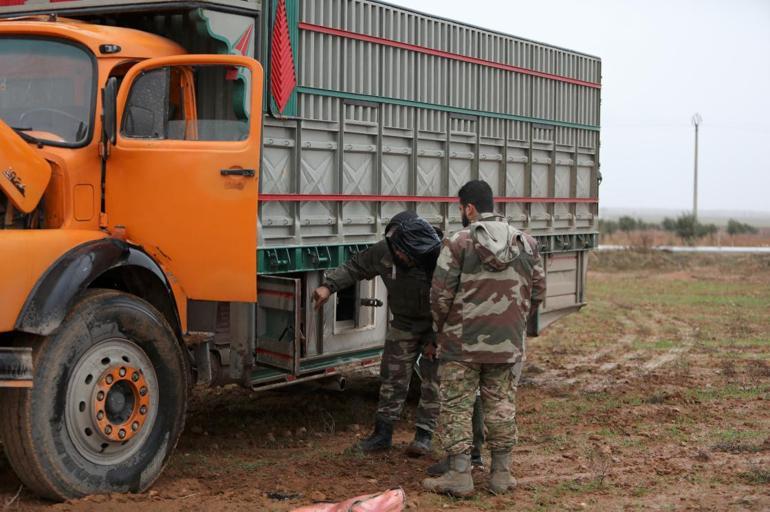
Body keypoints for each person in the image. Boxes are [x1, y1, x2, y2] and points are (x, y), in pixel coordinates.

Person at [422, 180, 546, 496]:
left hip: (461, 345)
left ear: (470, 208)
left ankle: (460, 477)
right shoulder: (527, 243)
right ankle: (501, 475)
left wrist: (441, 331)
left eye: (461, 208)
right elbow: (538, 292)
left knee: (457, 407)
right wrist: (514, 326)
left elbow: (439, 296)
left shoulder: (458, 242)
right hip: (507, 344)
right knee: (502, 406)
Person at [312, 211, 442, 456]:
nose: (406, 257)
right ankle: (382, 435)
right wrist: (328, 286)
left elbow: (454, 302)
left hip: (437, 324)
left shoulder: (441, 257)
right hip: (404, 322)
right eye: (402, 252)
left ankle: (424, 436)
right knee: (392, 378)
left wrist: (436, 338)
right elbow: (356, 266)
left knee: (433, 380)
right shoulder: (385, 251)